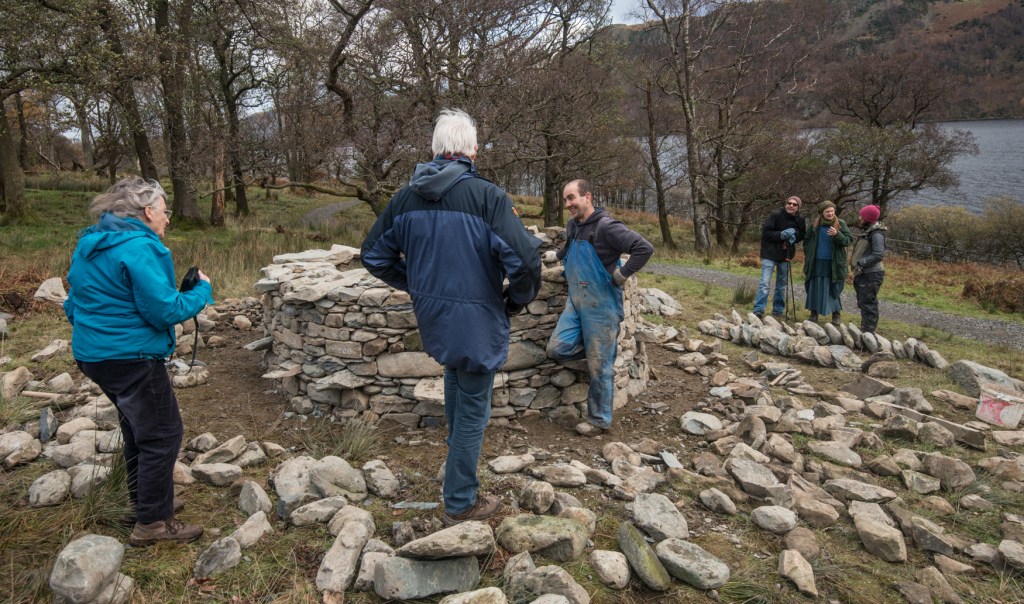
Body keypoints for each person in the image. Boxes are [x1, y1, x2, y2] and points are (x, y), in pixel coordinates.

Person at [361, 109, 541, 525]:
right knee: (474, 407)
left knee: (457, 384)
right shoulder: (487, 197)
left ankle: (456, 474)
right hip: (476, 319)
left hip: (435, 315)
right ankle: (461, 501)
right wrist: (514, 301)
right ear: (472, 149)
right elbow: (527, 262)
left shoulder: (406, 197)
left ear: (436, 149)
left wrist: (418, 285)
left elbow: (373, 254)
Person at [64, 177, 213, 546]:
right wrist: (202, 291)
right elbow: (165, 311)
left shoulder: (91, 243)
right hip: (132, 359)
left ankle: (146, 503)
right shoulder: (140, 247)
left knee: (138, 430)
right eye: (164, 211)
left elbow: (73, 303)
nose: (167, 219)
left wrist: (100, 332)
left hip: (94, 356)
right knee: (163, 434)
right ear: (148, 212)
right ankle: (152, 524)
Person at [545, 179, 654, 437]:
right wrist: (555, 256)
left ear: (587, 197)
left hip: (601, 305)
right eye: (565, 200)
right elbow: (569, 246)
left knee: (600, 367)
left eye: (572, 198)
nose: (568, 204)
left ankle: (598, 420)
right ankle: (602, 352)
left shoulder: (607, 227)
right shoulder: (573, 225)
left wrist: (621, 275)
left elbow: (644, 248)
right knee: (556, 348)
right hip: (577, 301)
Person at [753, 196, 806, 319]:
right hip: (770, 253)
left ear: (798, 208)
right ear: (785, 204)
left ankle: (778, 310)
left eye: (794, 204)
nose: (791, 206)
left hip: (786, 255)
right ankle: (759, 309)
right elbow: (766, 233)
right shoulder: (775, 215)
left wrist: (795, 237)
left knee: (781, 285)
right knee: (765, 283)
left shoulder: (800, 220)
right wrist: (781, 235)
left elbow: (802, 234)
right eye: (789, 203)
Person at [802, 200, 852, 325]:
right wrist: (809, 254)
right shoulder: (815, 224)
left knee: (833, 288)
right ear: (822, 213)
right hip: (817, 262)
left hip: (834, 263)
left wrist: (837, 234)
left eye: (832, 211)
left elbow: (848, 240)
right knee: (814, 287)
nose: (830, 214)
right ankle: (814, 314)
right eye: (827, 211)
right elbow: (806, 241)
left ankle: (836, 315)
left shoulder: (840, 224)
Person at [850, 204, 887, 333]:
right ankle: (865, 329)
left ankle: (868, 331)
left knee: (868, 303)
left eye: (862, 215)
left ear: (868, 218)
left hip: (871, 273)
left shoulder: (876, 234)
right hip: (865, 273)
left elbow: (878, 254)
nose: (859, 217)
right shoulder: (869, 231)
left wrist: (861, 262)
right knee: (863, 301)